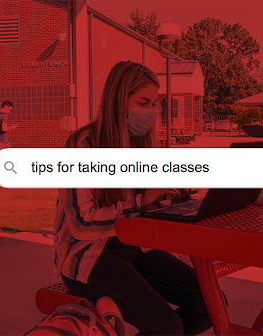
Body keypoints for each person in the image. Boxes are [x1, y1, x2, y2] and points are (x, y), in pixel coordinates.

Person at [53, 61, 213, 336]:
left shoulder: (140, 146)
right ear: (119, 100)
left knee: (210, 305)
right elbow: (81, 224)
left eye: (153, 103)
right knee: (165, 326)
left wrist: (169, 197)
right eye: (143, 102)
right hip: (90, 255)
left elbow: (144, 205)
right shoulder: (82, 144)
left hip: (137, 248)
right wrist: (141, 203)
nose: (150, 111)